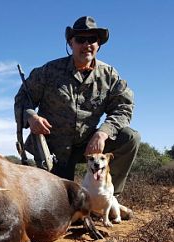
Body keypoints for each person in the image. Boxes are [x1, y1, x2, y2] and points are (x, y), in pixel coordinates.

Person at [14, 16, 140, 197]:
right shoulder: (48, 71)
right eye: (81, 39)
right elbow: (22, 98)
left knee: (130, 137)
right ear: (71, 42)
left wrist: (103, 132)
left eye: (92, 40)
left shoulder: (110, 74)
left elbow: (123, 107)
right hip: (54, 150)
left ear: (98, 45)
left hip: (88, 146)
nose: (86, 44)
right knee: (62, 202)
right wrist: (31, 117)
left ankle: (109, 196)